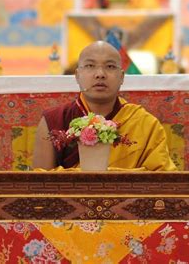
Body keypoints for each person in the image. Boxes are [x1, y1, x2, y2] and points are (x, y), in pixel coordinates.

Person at [32, 41, 176, 171]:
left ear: (122, 77)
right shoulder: (53, 120)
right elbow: (40, 185)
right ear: (77, 75)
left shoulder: (145, 124)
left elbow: (162, 181)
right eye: (90, 66)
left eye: (110, 66)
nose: (100, 74)